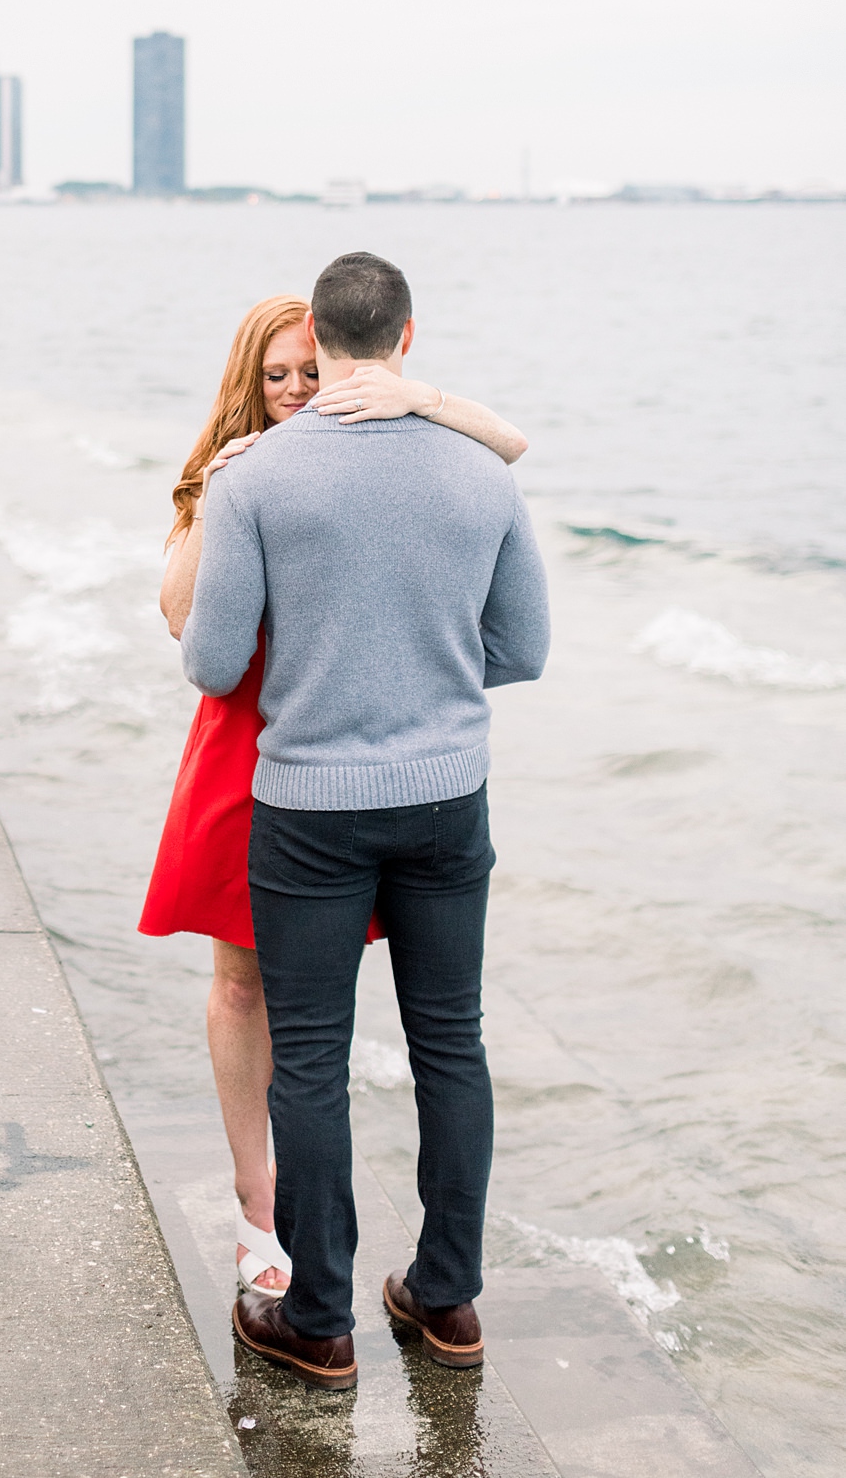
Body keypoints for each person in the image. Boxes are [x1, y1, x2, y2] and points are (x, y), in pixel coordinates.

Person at [183, 251, 550, 1390]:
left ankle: (323, 1321)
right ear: (404, 339)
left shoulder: (255, 477)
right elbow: (522, 650)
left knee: (312, 1063)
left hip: (308, 809)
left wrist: (327, 667)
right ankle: (447, 1304)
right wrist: (419, 677)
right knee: (453, 1042)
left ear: (325, 344)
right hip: (447, 799)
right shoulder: (482, 475)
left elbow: (210, 658)